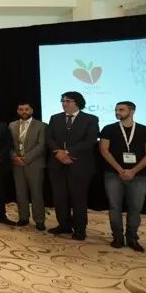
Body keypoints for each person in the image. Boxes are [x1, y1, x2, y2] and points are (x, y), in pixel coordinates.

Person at [99, 101, 146, 252]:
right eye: (116, 110)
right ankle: (117, 237)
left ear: (132, 111)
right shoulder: (108, 128)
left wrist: (133, 171)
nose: (117, 112)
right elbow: (104, 150)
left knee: (135, 208)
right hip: (113, 174)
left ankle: (132, 238)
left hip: (138, 175)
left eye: (121, 110)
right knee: (114, 207)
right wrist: (120, 170)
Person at [46, 91, 99, 241]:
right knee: (59, 197)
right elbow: (49, 138)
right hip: (57, 164)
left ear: (77, 103)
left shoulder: (90, 119)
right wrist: (58, 152)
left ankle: (80, 229)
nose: (64, 104)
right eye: (63, 101)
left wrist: (67, 152)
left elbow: (90, 140)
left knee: (78, 198)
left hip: (80, 165)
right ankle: (64, 225)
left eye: (68, 101)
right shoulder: (55, 118)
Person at [9, 103, 47, 230]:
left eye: (26, 109)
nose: (24, 111)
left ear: (31, 110)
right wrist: (15, 157)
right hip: (17, 164)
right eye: (21, 109)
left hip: (34, 164)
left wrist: (26, 159)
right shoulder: (12, 125)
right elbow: (8, 145)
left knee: (37, 193)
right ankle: (23, 217)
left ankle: (39, 220)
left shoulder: (41, 125)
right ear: (17, 111)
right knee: (20, 193)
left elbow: (41, 145)